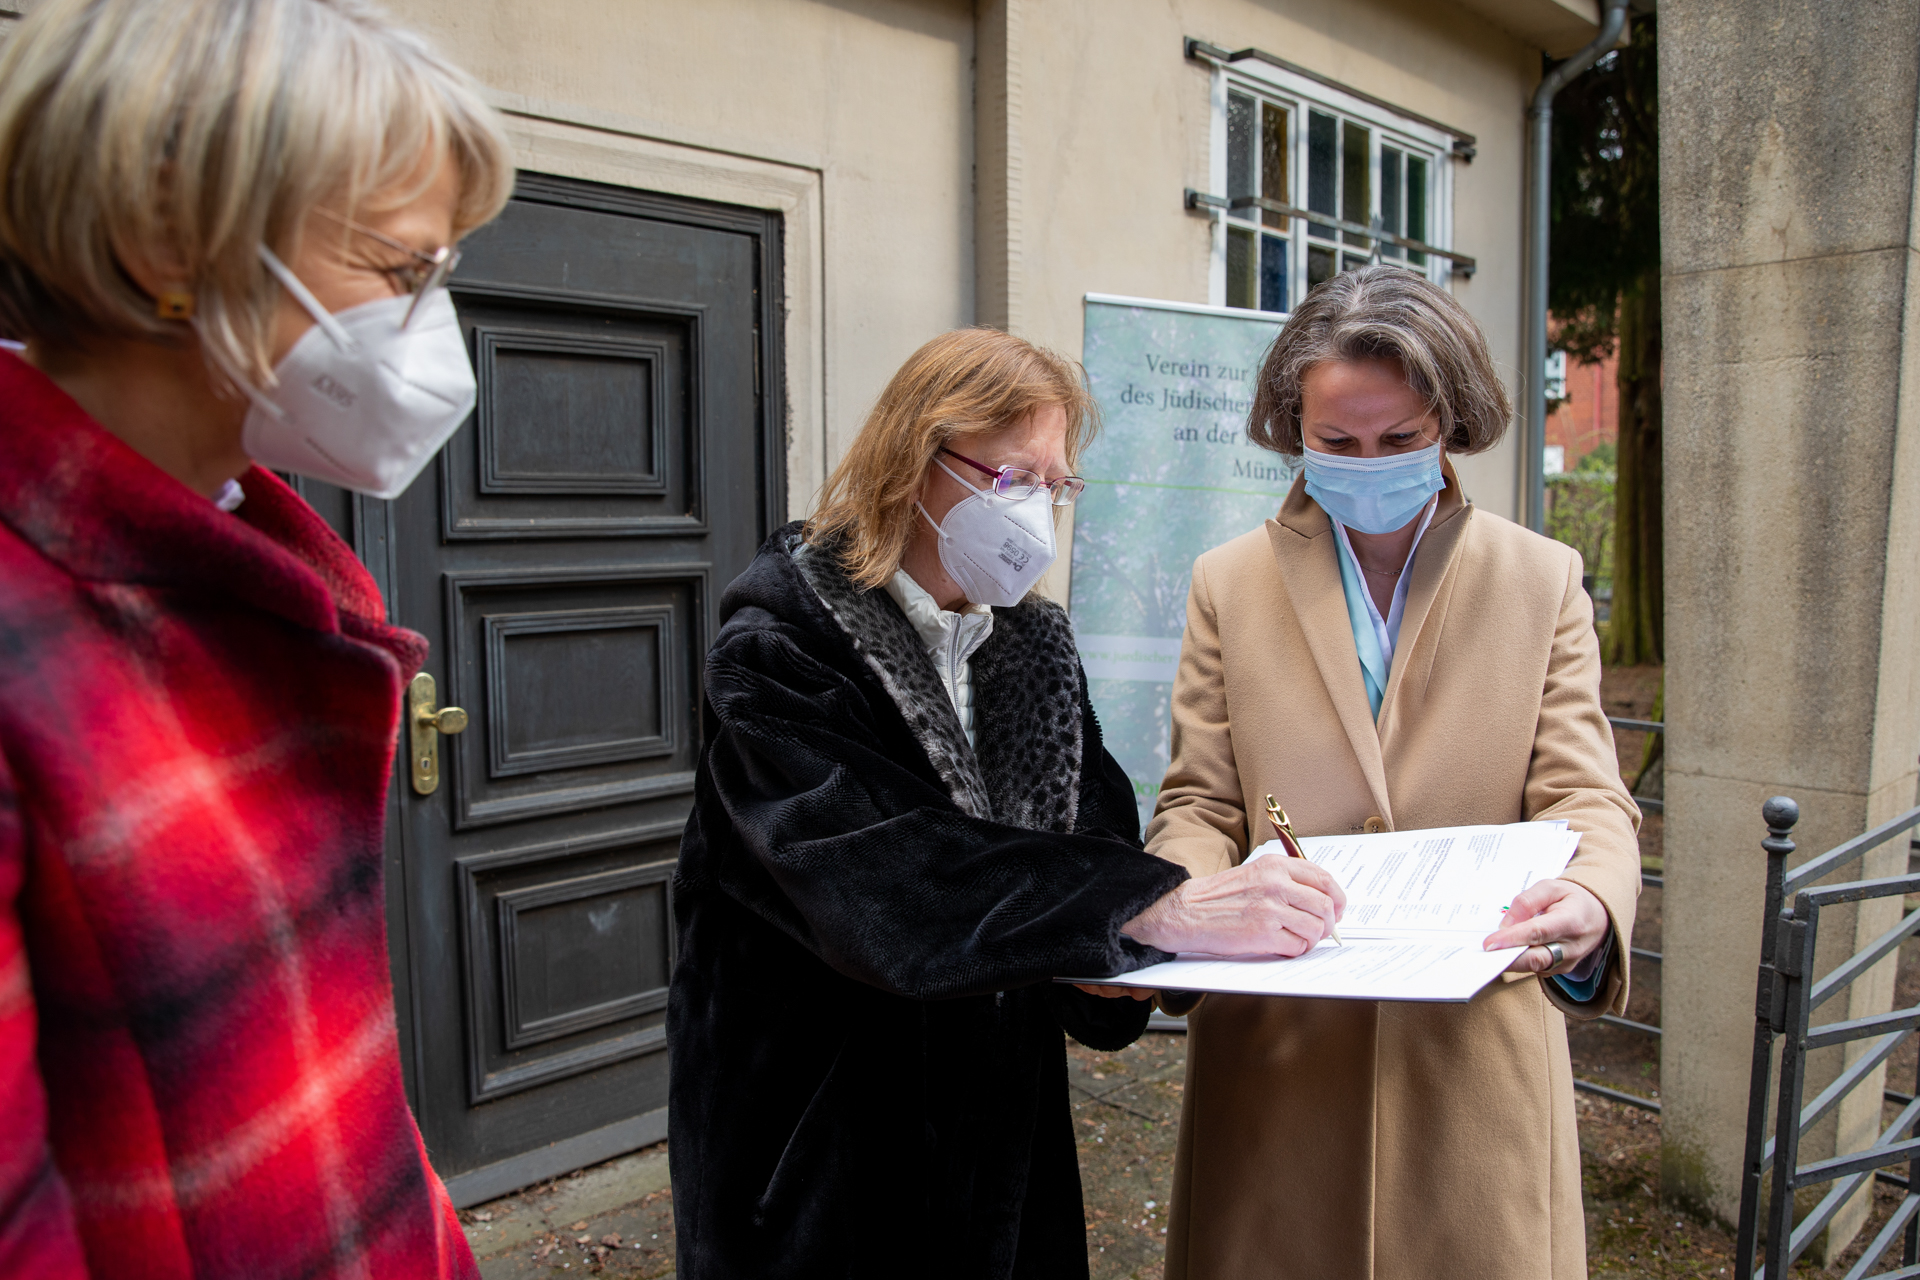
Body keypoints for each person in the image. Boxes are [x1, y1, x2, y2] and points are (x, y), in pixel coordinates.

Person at [0, 1, 514, 1275]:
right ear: (162, 234)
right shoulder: (32, 629)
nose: (429, 330)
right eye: (403, 270)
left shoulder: (260, 573)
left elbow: (334, 1106)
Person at [667, 326, 1346, 1279]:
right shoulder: (780, 648)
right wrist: (1139, 908)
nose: (1040, 513)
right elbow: (887, 882)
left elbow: (1095, 844)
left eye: (1056, 485)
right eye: (1012, 479)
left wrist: (1135, 960)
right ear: (915, 462)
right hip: (820, 1147)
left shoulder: (1033, 648)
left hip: (1001, 1158)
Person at [1149, 266, 1640, 1280]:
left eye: (1401, 440)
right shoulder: (1227, 582)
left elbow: (1584, 791)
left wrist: (1593, 897)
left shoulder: (1539, 578)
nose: (1368, 463)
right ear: (1292, 426)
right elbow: (1201, 798)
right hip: (1279, 1056)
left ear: (1452, 422)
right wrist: (1189, 897)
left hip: (1473, 1066)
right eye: (1337, 443)